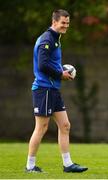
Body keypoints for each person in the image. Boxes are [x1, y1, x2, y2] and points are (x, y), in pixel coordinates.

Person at [26, 9, 88, 173]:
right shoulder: (47, 39)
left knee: (65, 125)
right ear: (54, 22)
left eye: (67, 23)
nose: (65, 26)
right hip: (43, 88)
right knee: (41, 128)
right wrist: (61, 74)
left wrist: (61, 71)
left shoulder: (56, 39)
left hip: (52, 89)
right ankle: (30, 166)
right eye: (63, 23)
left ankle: (68, 165)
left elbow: (50, 63)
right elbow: (42, 65)